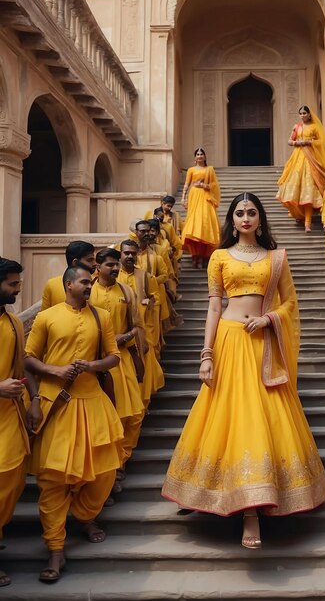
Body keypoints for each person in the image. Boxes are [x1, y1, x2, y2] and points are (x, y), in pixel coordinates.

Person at [162, 193, 325, 548]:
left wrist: (269, 319)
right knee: (226, 417)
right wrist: (206, 354)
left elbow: (290, 305)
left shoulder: (276, 258)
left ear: (260, 218)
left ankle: (259, 503)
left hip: (263, 345)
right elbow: (213, 306)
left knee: (262, 418)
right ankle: (237, 507)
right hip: (229, 342)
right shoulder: (220, 256)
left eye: (252, 212)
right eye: (239, 213)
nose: (246, 218)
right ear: (232, 220)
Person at [25, 266, 123, 583]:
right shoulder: (46, 317)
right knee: (53, 479)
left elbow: (114, 356)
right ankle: (55, 548)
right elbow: (28, 359)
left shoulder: (102, 317)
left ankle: (84, 515)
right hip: (58, 402)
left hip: (93, 401)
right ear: (68, 284)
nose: (89, 286)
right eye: (84, 281)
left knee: (105, 472)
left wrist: (92, 365)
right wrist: (52, 375)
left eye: (91, 282)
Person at [0, 257, 41, 588]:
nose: (18, 289)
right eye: (12, 284)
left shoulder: (14, 321)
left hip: (10, 415)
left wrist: (34, 402)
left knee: (13, 479)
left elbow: (22, 364)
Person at [90, 248, 145, 486]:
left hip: (121, 359)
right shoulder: (88, 290)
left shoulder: (126, 291)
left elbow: (137, 326)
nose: (115, 269)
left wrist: (126, 338)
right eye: (110, 265)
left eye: (116, 265)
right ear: (98, 267)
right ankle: (104, 469)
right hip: (94, 362)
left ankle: (121, 460)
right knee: (102, 417)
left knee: (132, 414)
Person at [276, 105, 325, 233]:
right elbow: (290, 140)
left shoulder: (315, 127)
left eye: (304, 113)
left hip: (312, 158)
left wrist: (309, 142)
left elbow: (321, 142)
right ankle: (299, 215)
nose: (302, 115)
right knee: (295, 188)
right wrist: (297, 143)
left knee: (309, 189)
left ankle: (308, 223)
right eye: (300, 113)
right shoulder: (297, 127)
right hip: (298, 158)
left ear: (309, 114)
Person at [118, 240, 165, 405]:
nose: (130, 256)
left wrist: (147, 302)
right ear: (120, 254)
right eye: (126, 253)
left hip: (143, 329)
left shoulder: (145, 276)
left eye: (133, 253)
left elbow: (156, 297)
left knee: (143, 369)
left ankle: (143, 406)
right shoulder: (114, 276)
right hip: (120, 333)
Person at [181, 148, 220, 268]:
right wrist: (183, 197)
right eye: (197, 154)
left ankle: (204, 256)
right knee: (194, 225)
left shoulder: (209, 170)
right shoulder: (191, 170)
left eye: (201, 154)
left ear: (205, 156)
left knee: (205, 225)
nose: (199, 156)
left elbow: (214, 185)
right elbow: (187, 183)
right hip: (194, 196)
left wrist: (203, 185)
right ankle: (195, 256)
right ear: (195, 157)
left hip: (206, 197)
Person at [40, 240, 96, 310]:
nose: (94, 264)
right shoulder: (52, 285)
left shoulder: (98, 283)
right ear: (75, 263)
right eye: (90, 260)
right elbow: (44, 316)